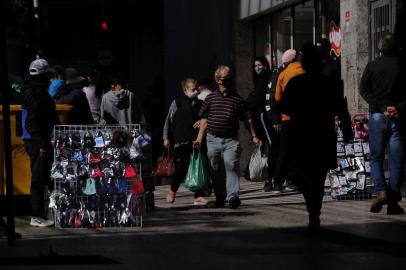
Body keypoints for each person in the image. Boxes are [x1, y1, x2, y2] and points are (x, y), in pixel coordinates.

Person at [279, 44, 352, 232]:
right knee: (319, 175)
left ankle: (312, 209)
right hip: (322, 133)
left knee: (304, 174)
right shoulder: (329, 83)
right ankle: (315, 211)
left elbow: (284, 107)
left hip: (301, 134)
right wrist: (346, 131)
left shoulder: (296, 83)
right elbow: (341, 109)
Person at [194, 65, 262, 209]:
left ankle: (233, 197)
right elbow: (204, 120)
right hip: (212, 140)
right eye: (226, 78)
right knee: (216, 170)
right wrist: (199, 139)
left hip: (231, 140)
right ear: (218, 80)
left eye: (230, 77)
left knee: (231, 166)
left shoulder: (237, 99)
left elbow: (248, 119)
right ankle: (220, 197)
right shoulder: (210, 99)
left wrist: (254, 136)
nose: (229, 80)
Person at [360, 33, 405, 215]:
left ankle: (381, 192)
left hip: (378, 115)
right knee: (396, 160)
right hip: (398, 118)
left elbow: (364, 89)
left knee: (376, 157)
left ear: (379, 49)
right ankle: (393, 200)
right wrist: (398, 108)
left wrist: (381, 105)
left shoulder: (372, 66)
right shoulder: (402, 66)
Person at [22, 58, 59, 227]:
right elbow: (31, 122)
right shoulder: (35, 93)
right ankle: (36, 216)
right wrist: (43, 144)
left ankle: (44, 214)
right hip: (37, 142)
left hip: (38, 140)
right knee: (38, 178)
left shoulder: (36, 91)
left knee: (44, 176)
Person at [163, 79, 208, 206]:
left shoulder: (201, 104)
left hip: (196, 141)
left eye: (196, 89)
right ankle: (173, 189)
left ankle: (198, 196)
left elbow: (207, 118)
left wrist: (202, 122)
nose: (195, 91)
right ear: (185, 90)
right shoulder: (177, 103)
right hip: (181, 141)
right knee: (182, 168)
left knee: (198, 167)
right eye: (192, 89)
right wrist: (166, 137)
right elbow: (168, 121)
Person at [272, 49, 304, 193]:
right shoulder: (304, 71)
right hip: (303, 118)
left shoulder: (283, 74)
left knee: (284, 151)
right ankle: (295, 181)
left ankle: (278, 183)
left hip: (287, 118)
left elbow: (277, 98)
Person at [246, 57, 274, 189]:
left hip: (263, 116)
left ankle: (270, 178)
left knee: (268, 146)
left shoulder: (264, 79)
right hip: (260, 117)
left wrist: (250, 101)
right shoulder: (261, 79)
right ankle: (268, 177)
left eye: (259, 65)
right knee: (265, 147)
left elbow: (258, 98)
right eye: (255, 65)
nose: (257, 68)